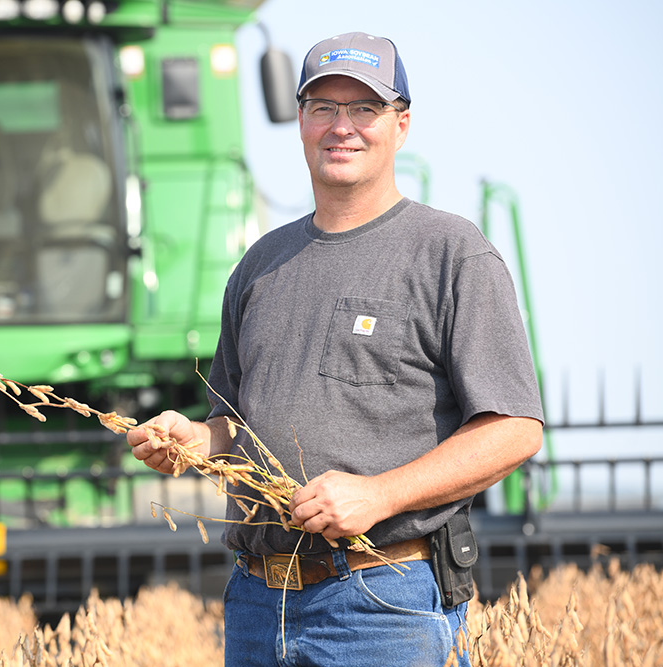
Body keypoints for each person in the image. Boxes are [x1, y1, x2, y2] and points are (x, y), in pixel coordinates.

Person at [126, 31, 544, 666]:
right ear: (299, 122)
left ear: (401, 125)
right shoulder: (259, 267)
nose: (340, 127)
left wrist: (381, 494)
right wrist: (193, 441)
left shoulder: (450, 255)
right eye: (323, 107)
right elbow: (235, 426)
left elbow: (515, 429)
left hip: (383, 605)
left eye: (364, 109)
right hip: (255, 604)